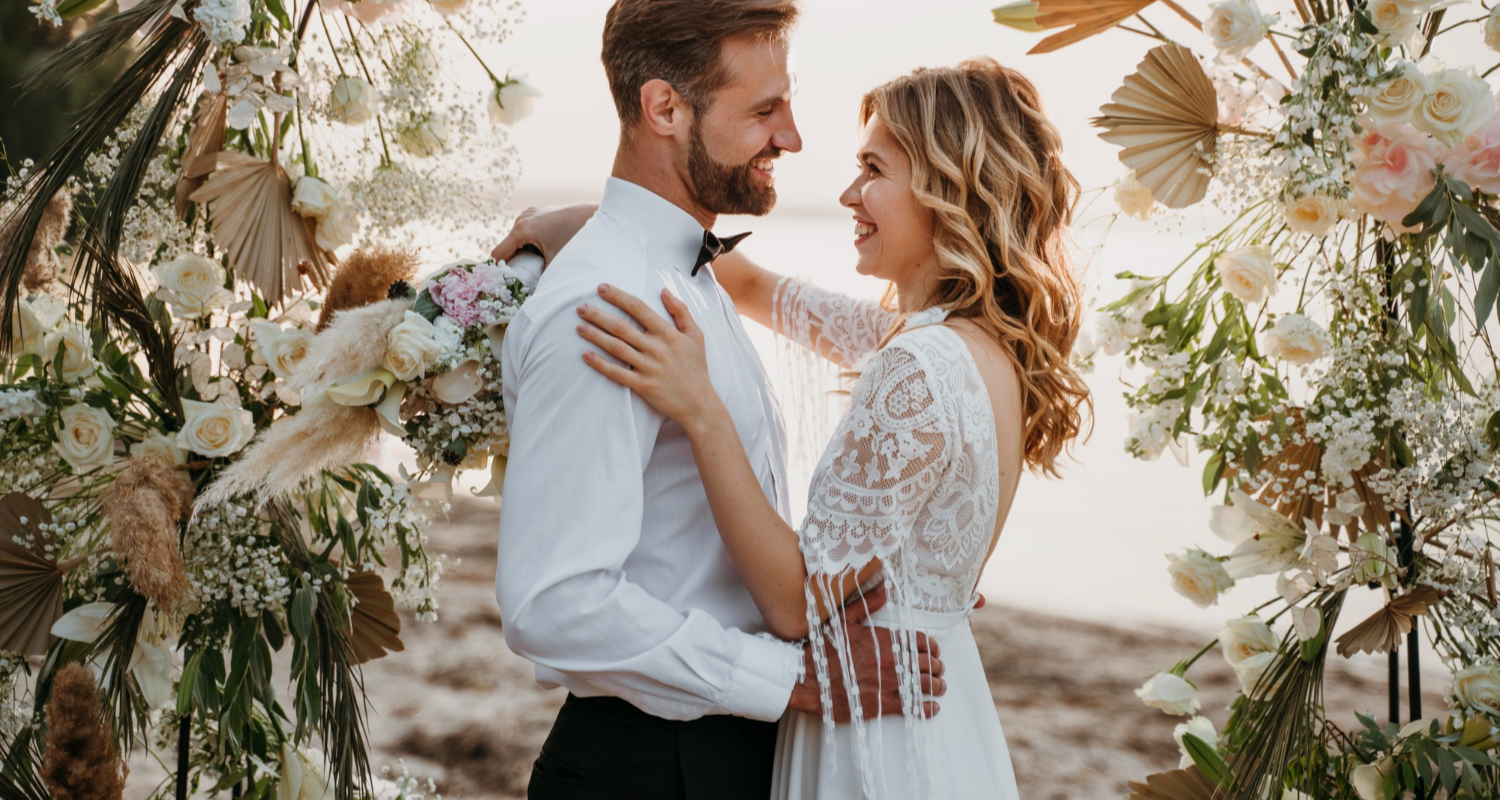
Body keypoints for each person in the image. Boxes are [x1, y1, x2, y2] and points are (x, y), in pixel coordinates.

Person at [510, 58, 1092, 798]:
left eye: (873, 170)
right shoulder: (974, 347)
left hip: (871, 717)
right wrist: (593, 224)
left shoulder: (913, 368)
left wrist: (702, 410)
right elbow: (748, 284)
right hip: (940, 705)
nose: (848, 194)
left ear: (951, 189)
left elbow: (793, 603)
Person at [489, 2, 945, 799]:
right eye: (764, 110)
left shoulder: (683, 277)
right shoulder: (604, 308)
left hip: (716, 755)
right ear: (665, 108)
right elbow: (554, 603)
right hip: (651, 768)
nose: (793, 138)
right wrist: (793, 680)